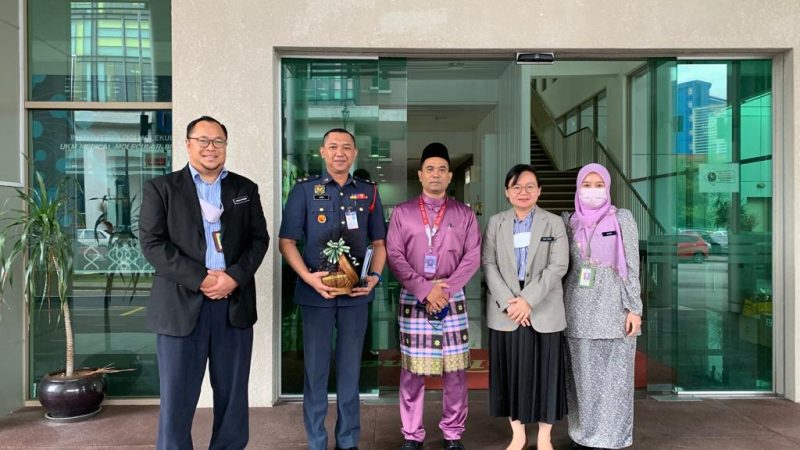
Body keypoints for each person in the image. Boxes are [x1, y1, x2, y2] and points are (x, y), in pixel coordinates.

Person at [139, 115, 270, 450]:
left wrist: (233, 277)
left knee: (233, 397)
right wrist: (201, 279)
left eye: (218, 141)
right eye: (203, 140)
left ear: (226, 145)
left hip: (233, 306)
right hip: (180, 307)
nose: (211, 147)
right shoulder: (161, 189)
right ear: (188, 144)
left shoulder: (244, 189)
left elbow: (259, 240)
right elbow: (152, 244)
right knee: (177, 398)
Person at [279, 128, 387, 450]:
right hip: (316, 294)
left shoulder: (368, 192)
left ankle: (348, 440)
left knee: (350, 371)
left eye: (347, 147)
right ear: (322, 152)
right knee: (315, 371)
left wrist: (375, 277)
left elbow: (380, 244)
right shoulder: (304, 190)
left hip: (356, 296)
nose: (340, 152)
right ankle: (316, 441)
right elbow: (287, 242)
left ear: (355, 154)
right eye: (333, 147)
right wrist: (308, 278)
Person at [386, 143, 481, 450]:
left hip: (452, 299)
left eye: (442, 169)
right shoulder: (402, 213)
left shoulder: (464, 214)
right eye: (430, 169)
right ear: (420, 174)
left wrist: (446, 289)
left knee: (455, 371)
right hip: (415, 299)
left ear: (450, 176)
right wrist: (426, 290)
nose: (436, 174)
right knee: (413, 371)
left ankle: (453, 434)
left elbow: (473, 256)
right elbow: (395, 256)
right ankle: (412, 435)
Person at [482, 164, 569, 450]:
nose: (523, 192)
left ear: (539, 191)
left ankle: (544, 436)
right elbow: (488, 263)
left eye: (530, 186)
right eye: (516, 187)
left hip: (543, 308)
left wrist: (528, 300)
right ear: (507, 192)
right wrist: (511, 304)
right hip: (507, 311)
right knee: (511, 375)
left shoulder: (554, 223)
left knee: (547, 375)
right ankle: (517, 434)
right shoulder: (496, 223)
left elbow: (559, 265)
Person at [562, 163, 642, 449]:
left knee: (615, 380)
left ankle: (612, 438)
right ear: (578, 188)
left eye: (599, 185)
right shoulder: (569, 222)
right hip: (577, 310)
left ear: (608, 188)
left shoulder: (622, 219)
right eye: (587, 185)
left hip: (614, 310)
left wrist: (634, 308)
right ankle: (583, 436)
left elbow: (631, 266)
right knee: (582, 380)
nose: (593, 190)